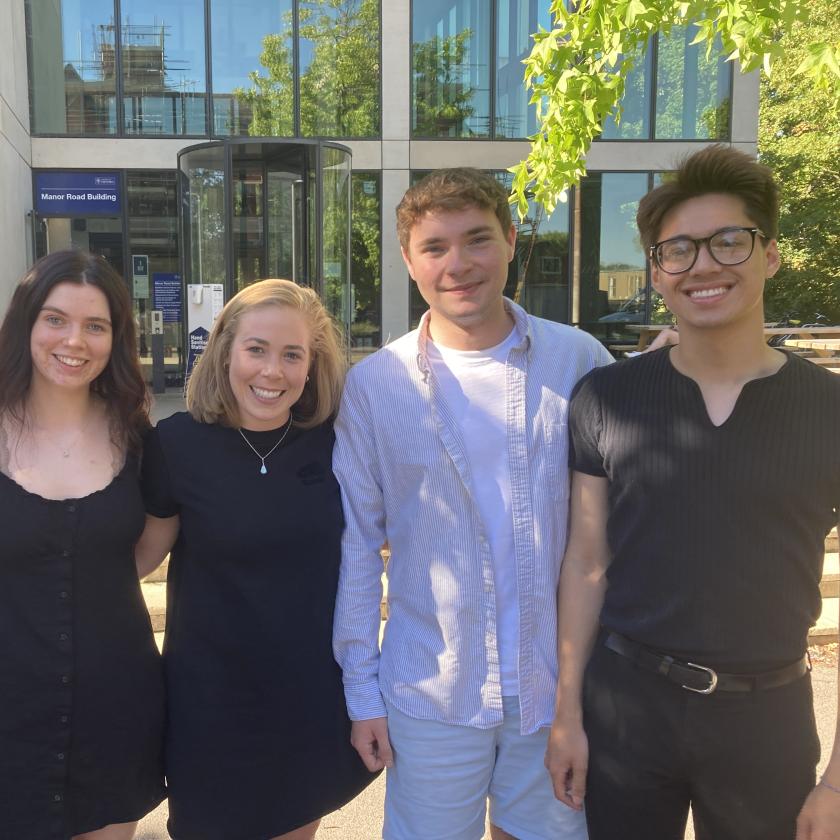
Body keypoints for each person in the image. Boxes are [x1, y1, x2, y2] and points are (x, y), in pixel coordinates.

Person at [546, 144, 840, 840]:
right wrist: (567, 716)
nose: (703, 264)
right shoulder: (606, 399)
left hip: (767, 717)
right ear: (657, 271)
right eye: (677, 250)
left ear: (768, 254)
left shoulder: (828, 409)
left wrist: (837, 782)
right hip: (626, 707)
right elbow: (587, 563)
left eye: (728, 242)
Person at [332, 167, 612, 840]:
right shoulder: (375, 386)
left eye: (477, 239)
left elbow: (613, 528)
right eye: (434, 247)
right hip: (432, 689)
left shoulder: (581, 363)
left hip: (552, 690)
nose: (457, 264)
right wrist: (362, 692)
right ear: (408, 261)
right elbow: (358, 549)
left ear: (511, 241)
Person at [134, 279, 375, 840]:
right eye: (257, 349)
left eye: (292, 355)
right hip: (210, 705)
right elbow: (139, 558)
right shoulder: (176, 445)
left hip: (308, 698)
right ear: (225, 349)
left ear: (312, 366)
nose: (273, 372)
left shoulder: (337, 443)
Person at [0, 250, 165, 840]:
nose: (75, 340)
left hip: (113, 710)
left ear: (116, 338)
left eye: (96, 325)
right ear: (26, 324)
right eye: (55, 319)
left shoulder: (137, 438)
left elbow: (146, 548)